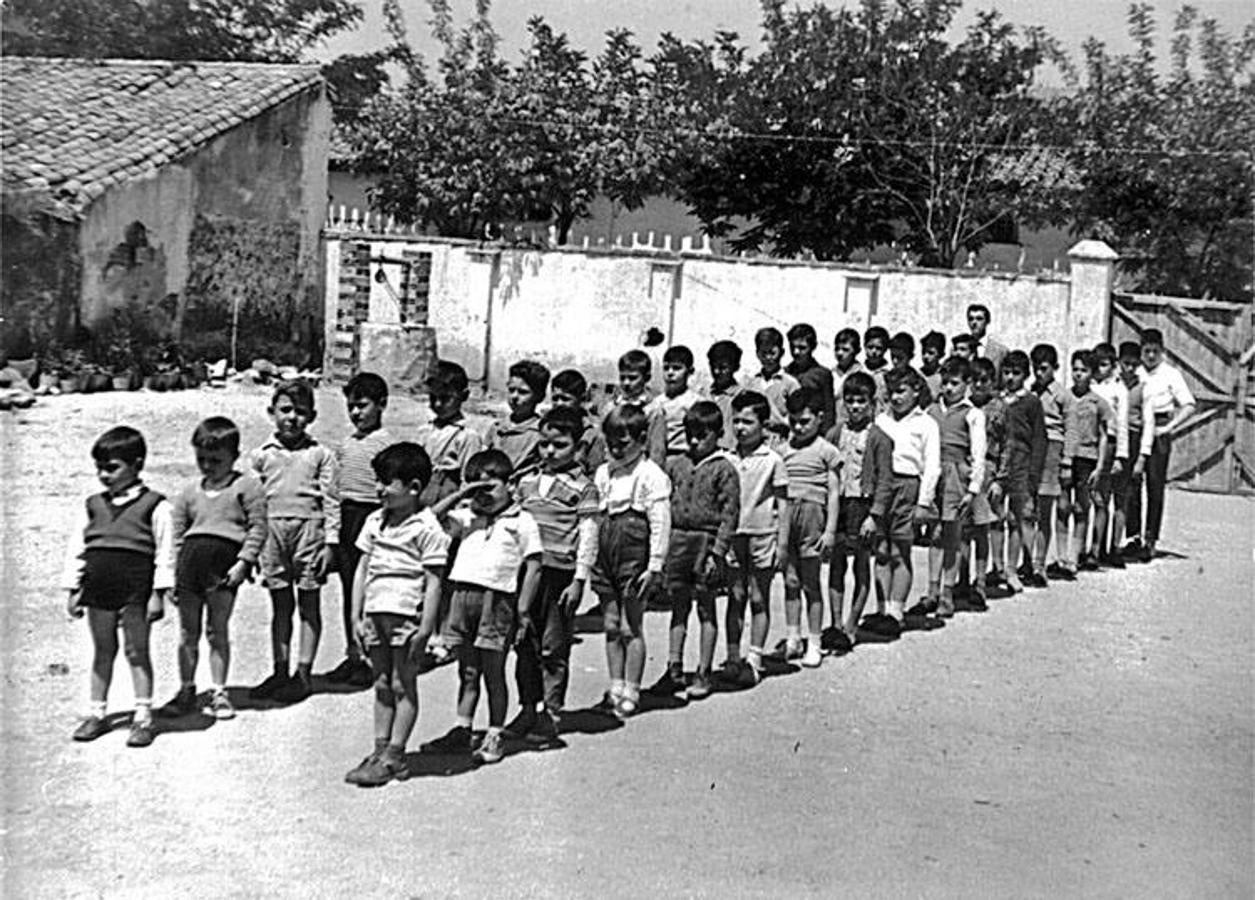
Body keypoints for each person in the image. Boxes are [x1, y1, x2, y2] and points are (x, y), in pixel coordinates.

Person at [422, 450, 543, 765]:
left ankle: (494, 731)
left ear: (510, 484)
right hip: (463, 597)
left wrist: (524, 610)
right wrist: (463, 494)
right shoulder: (467, 517)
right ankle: (463, 728)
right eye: (476, 489)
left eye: (490, 488)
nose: (483, 496)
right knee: (467, 670)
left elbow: (534, 566)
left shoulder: (523, 520)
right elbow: (429, 519)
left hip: (497, 600)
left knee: (493, 671)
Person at [344, 443, 449, 787]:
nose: (379, 489)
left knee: (404, 685)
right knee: (381, 683)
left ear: (414, 487)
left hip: (406, 618)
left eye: (387, 483)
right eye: (378, 481)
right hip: (375, 614)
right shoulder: (375, 521)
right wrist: (355, 615)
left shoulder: (427, 528)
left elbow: (434, 584)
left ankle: (395, 755)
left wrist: (426, 630)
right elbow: (362, 569)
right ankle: (379, 748)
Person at [63, 426, 174, 747]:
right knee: (103, 650)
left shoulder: (157, 505)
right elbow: (77, 548)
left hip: (135, 589)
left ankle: (143, 717)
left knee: (136, 651)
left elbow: (165, 553)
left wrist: (158, 595)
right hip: (98, 587)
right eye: (99, 468)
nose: (104, 475)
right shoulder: (92, 505)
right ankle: (97, 713)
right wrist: (73, 589)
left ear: (136, 465)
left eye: (112, 468)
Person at [506, 407, 600, 742]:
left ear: (576, 448)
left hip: (560, 575)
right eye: (545, 443)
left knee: (553, 646)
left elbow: (588, 535)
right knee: (525, 643)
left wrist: (579, 580)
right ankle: (528, 707)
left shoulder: (584, 488)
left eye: (559, 445)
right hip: (526, 574)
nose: (549, 451)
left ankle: (551, 712)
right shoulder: (526, 482)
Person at [164, 417, 267, 720]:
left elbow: (258, 528)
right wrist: (172, 576)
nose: (208, 466)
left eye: (216, 460)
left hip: (223, 570)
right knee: (187, 632)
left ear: (234, 457)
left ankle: (219, 691)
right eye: (202, 459)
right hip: (189, 569)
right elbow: (178, 538)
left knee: (216, 630)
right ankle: (186, 690)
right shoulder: (187, 493)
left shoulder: (246, 486)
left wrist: (244, 562)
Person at [250, 380, 340, 703]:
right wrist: (251, 546)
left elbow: (331, 500)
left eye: (301, 412)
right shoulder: (260, 456)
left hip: (309, 534)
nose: (292, 418)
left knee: (309, 604)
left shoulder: (321, 455)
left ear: (312, 416)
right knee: (280, 606)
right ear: (271, 412)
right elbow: (252, 503)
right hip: (273, 534)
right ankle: (279, 670)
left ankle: (303, 674)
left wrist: (331, 543)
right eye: (286, 410)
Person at [653, 402, 740, 699]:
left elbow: (730, 515)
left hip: (707, 542)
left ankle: (703, 671)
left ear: (718, 434)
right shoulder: (677, 465)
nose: (693, 441)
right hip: (679, 541)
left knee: (706, 608)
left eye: (701, 435)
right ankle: (674, 667)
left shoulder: (724, 469)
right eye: (689, 434)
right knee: (678, 606)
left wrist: (718, 553)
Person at [590, 404, 671, 719]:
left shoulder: (651, 475)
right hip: (605, 550)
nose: (615, 448)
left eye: (623, 443)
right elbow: (594, 515)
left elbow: (660, 521)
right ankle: (616, 685)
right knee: (610, 624)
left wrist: (655, 565)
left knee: (630, 625)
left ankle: (633, 689)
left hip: (633, 551)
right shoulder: (603, 472)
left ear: (641, 439)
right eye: (610, 441)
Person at [329, 372, 396, 688]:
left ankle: (374, 659)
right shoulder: (344, 444)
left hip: (372, 518)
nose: (356, 413)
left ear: (382, 405)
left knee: (371, 593)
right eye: (351, 406)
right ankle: (354, 653)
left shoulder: (387, 444)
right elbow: (334, 488)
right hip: (346, 518)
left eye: (362, 405)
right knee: (349, 592)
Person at [724, 391, 788, 685]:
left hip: (763, 536)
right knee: (735, 597)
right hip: (734, 536)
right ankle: (733, 657)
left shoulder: (773, 460)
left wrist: (782, 542)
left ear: (763, 425)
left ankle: (755, 658)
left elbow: (783, 504)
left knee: (758, 597)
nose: (740, 427)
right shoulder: (727, 458)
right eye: (736, 421)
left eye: (747, 421)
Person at [869, 369, 940, 631]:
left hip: (908, 487)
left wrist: (924, 502)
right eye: (892, 392)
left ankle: (896, 612)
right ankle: (882, 607)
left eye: (902, 391)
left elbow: (932, 466)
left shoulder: (926, 424)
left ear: (916, 391)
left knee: (900, 550)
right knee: (881, 551)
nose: (896, 398)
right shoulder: (881, 421)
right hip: (881, 488)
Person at [917, 357, 986, 618]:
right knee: (934, 535)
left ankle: (948, 592)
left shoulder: (973, 414)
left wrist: (973, 489)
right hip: (934, 476)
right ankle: (932, 592)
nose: (948, 388)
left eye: (954, 383)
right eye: (945, 382)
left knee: (952, 537)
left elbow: (978, 454)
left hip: (957, 477)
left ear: (967, 385)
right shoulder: (931, 411)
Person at [778, 388, 842, 668]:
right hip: (786, 516)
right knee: (790, 580)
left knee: (810, 582)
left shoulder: (827, 451)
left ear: (819, 418)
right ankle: (793, 636)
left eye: (804, 421)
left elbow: (834, 492)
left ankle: (814, 641)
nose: (798, 427)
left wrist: (829, 530)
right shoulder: (783, 450)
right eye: (794, 421)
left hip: (812, 515)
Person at [824, 372, 878, 651]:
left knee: (860, 564)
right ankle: (835, 624)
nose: (855, 407)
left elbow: (885, 482)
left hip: (863, 506)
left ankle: (852, 624)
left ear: (872, 403)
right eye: (850, 401)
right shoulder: (835, 433)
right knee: (836, 564)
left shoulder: (878, 437)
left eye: (861, 401)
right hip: (840, 504)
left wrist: (874, 516)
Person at [1137, 328, 1195, 561]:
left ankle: (1150, 538)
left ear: (1162, 351)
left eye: (1155, 351)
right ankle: (1132, 537)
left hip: (1160, 430)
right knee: (1131, 484)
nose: (1150, 356)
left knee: (1155, 484)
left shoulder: (1171, 374)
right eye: (1146, 351)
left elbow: (1189, 405)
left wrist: (1170, 427)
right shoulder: (1135, 372)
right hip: (1137, 428)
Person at [1056, 350, 1113, 576]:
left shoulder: (1098, 402)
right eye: (1076, 370)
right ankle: (1060, 556)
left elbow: (1104, 436)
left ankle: (1074, 557)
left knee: (1081, 507)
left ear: (1092, 373)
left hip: (1087, 459)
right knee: (1062, 507)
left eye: (1084, 370)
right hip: (1065, 457)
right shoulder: (1064, 397)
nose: (1078, 375)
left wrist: (1100, 467)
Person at [1001, 351, 1047, 593]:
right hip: (1000, 464)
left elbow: (1040, 439)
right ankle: (997, 566)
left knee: (1016, 518)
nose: (1010, 378)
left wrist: (1034, 474)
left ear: (1025, 375)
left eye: (1016, 373)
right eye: (1006, 372)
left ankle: (1012, 568)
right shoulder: (997, 400)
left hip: (1022, 463)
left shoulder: (1031, 402)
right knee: (994, 519)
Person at [416, 360, 483, 506]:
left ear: (464, 396)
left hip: (447, 502)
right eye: (433, 398)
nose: (438, 404)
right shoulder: (424, 431)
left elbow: (469, 479)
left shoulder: (466, 436)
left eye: (446, 398)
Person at [1030, 343, 1070, 586]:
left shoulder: (1063, 396)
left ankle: (1039, 565)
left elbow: (1071, 430)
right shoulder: (1031, 392)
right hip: (1032, 451)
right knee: (1026, 509)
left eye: (1043, 368)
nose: (1038, 374)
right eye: (1035, 368)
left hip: (1052, 452)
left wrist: (1066, 462)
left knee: (1045, 510)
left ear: (1055, 368)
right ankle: (1024, 561)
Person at [966, 358, 1006, 599]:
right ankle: (960, 579)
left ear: (992, 382)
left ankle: (980, 581)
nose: (979, 386)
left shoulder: (999, 408)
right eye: (975, 381)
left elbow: (1006, 445)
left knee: (982, 527)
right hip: (966, 468)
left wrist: (1000, 479)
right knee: (961, 530)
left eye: (984, 381)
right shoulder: (965, 406)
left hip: (988, 469)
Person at [1089, 343, 1130, 568]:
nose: (1100, 369)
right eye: (1096, 365)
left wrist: (1120, 456)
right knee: (1095, 497)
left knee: (1104, 498)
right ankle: (1094, 546)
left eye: (1104, 365)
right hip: (1092, 444)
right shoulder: (1091, 386)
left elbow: (1122, 424)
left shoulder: (1119, 390)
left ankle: (1102, 550)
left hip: (1111, 445)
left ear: (1113, 366)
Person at [1118, 341, 1156, 559]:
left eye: (1133, 364)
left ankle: (1134, 538)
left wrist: (1142, 456)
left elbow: (1149, 423)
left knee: (1132, 489)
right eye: (1125, 364)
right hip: (1115, 438)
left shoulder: (1144, 387)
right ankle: (1104, 541)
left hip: (1133, 439)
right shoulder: (1112, 384)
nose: (1129, 369)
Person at [486, 360, 549, 475]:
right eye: (511, 390)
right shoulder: (497, 428)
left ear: (539, 396)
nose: (514, 396)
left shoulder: (539, 433)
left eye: (523, 392)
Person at [744, 327, 800, 442]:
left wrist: (780, 422)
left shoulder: (790, 384)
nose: (768, 358)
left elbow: (799, 416)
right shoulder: (750, 383)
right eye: (763, 353)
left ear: (782, 352)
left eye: (772, 353)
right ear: (757, 354)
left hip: (779, 441)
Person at [650, 345, 702, 463]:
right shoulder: (656, 402)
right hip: (656, 455)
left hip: (683, 456)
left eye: (677, 368)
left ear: (690, 371)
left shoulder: (695, 402)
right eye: (666, 368)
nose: (670, 373)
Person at [550, 368, 604, 475]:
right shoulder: (545, 427)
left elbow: (594, 473)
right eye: (555, 399)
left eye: (565, 399)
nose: (559, 404)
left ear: (582, 399)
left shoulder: (592, 434)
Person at [786, 323, 836, 432]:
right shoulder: (785, 373)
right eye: (792, 347)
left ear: (813, 347)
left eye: (802, 348)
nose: (796, 352)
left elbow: (828, 411)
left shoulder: (822, 375)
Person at [706, 340, 744, 452]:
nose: (717, 372)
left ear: (735, 367)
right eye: (713, 367)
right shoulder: (704, 394)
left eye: (723, 368)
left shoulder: (741, 396)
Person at [831, 328, 864, 429]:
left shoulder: (862, 375)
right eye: (837, 349)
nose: (840, 353)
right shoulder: (830, 373)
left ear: (856, 351)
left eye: (845, 350)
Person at [888, 331, 933, 407]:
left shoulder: (917, 381)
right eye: (892, 356)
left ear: (910, 356)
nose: (895, 361)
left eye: (900, 358)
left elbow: (924, 404)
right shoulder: (886, 378)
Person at [966, 303, 1008, 371]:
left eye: (979, 319)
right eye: (971, 319)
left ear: (987, 321)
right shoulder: (959, 349)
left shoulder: (1001, 351)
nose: (974, 322)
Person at [863, 326, 891, 413]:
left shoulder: (889, 374)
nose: (874, 351)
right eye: (870, 347)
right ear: (864, 346)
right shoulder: (858, 371)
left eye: (878, 348)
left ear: (885, 349)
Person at [919, 330, 946, 398]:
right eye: (923, 352)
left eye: (931, 353)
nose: (926, 356)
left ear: (941, 355)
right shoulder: (918, 375)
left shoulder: (944, 375)